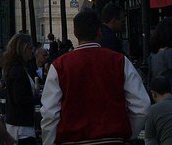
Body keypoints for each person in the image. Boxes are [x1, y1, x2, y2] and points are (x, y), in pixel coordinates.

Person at [40, 9, 149, 145]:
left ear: (75, 33)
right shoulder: (120, 61)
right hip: (112, 139)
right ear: (99, 32)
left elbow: (50, 114)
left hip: (73, 140)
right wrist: (128, 133)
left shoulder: (59, 66)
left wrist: (49, 141)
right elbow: (141, 106)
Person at [3, 33, 39, 145]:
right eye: (29, 48)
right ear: (22, 49)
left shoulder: (14, 68)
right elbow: (20, 98)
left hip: (17, 124)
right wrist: (38, 98)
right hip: (21, 127)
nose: (31, 51)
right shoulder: (18, 71)